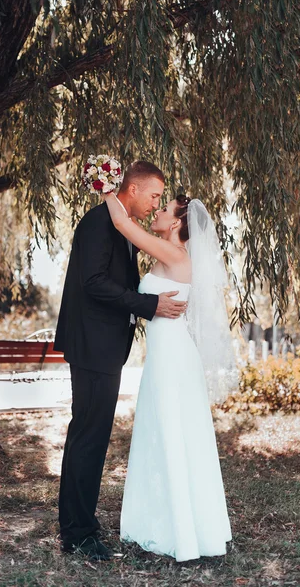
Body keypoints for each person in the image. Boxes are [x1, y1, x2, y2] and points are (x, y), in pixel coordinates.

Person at [54, 161, 187, 561]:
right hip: (92, 346)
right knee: (88, 437)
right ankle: (78, 534)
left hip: (105, 346)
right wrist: (150, 305)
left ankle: (81, 525)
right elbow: (93, 282)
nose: (155, 203)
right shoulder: (99, 223)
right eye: (154, 195)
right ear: (132, 188)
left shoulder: (123, 226)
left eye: (161, 199)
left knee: (93, 437)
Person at [104, 191, 235, 561]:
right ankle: (163, 522)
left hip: (173, 358)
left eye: (163, 209)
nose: (156, 212)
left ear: (176, 222)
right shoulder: (170, 254)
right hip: (165, 356)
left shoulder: (175, 254)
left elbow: (121, 223)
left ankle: (182, 531)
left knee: (174, 432)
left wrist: (106, 186)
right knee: (164, 432)